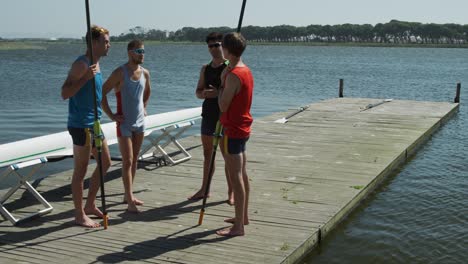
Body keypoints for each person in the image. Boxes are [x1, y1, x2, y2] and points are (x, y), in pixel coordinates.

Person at [61, 25, 111, 228]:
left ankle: (90, 204)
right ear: (94, 43)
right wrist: (84, 79)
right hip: (81, 124)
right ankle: (79, 214)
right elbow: (65, 93)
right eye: (106, 41)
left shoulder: (96, 64)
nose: (109, 45)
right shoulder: (81, 65)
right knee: (80, 171)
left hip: (96, 123)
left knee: (106, 162)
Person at [102, 39, 151, 213]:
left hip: (140, 124)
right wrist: (112, 115)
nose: (142, 54)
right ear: (130, 52)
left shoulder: (145, 73)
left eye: (143, 51)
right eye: (139, 51)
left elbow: (147, 93)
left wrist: (144, 108)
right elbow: (101, 93)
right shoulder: (120, 73)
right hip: (124, 124)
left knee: (135, 159)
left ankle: (127, 194)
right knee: (127, 161)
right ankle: (130, 200)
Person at [188, 32, 234, 205]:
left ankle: (231, 191)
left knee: (227, 155)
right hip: (208, 114)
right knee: (208, 154)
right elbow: (198, 91)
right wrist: (204, 94)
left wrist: (218, 93)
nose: (214, 48)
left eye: (217, 45)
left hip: (224, 115)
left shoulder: (230, 67)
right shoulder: (205, 68)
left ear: (224, 46)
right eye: (211, 46)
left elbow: (234, 92)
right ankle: (204, 189)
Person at [216, 32, 254, 237]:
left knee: (236, 176)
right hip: (243, 128)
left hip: (233, 130)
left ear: (228, 50)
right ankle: (243, 217)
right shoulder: (245, 70)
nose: (220, 49)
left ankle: (238, 227)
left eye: (222, 46)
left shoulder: (233, 75)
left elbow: (223, 105)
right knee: (243, 173)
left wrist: (222, 83)